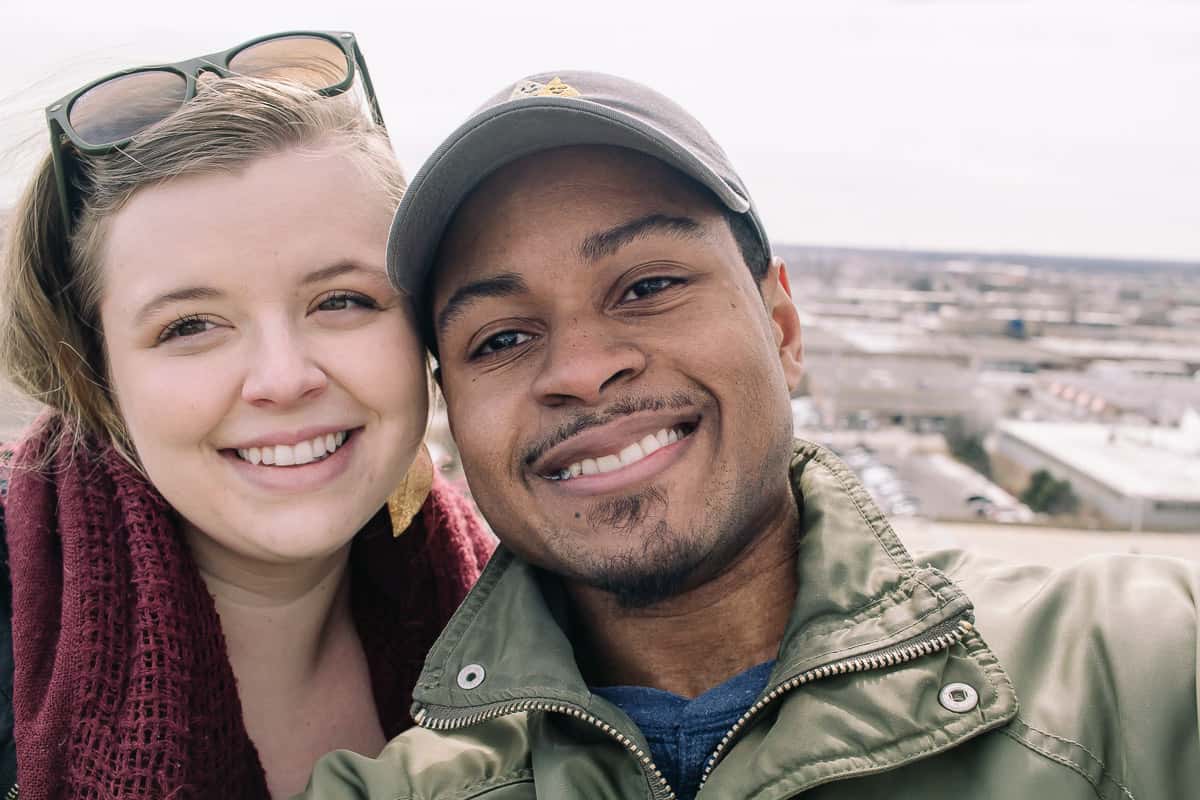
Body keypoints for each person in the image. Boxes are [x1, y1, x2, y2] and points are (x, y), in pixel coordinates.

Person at [302, 71, 1200, 799]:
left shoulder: (1131, 667)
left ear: (781, 329)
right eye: (500, 338)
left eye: (648, 286)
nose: (579, 369)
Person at [0, 32, 494, 800]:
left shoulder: (528, 624)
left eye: (342, 301)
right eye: (190, 325)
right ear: (94, 373)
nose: (282, 378)